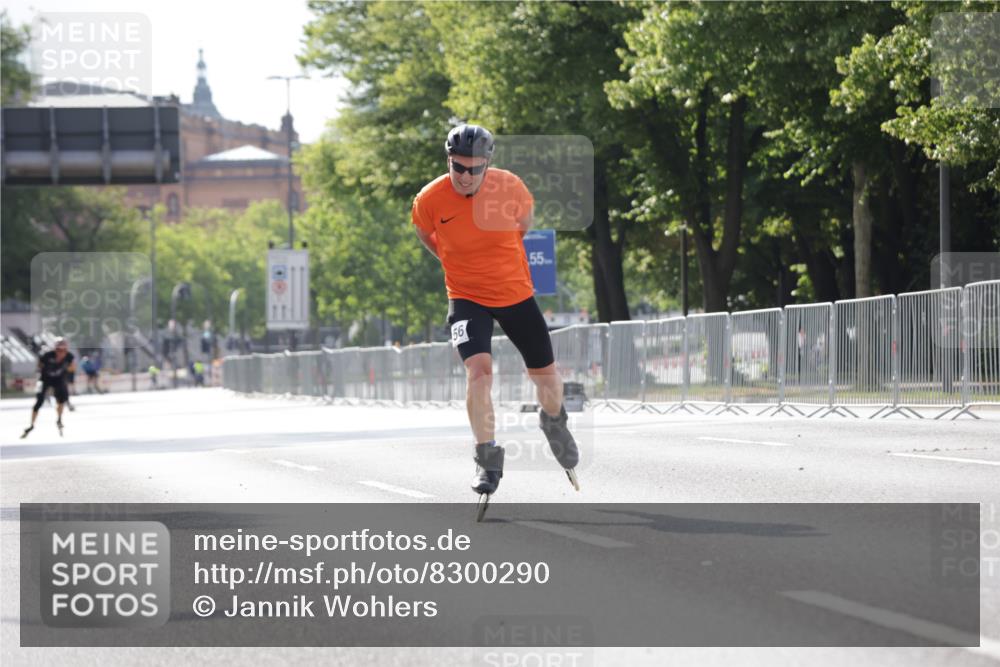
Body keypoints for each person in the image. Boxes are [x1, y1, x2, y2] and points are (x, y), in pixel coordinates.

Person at [411, 124, 580, 505]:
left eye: (474, 168)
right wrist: (453, 263)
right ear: (448, 161)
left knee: (546, 378)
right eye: (458, 167)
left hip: (515, 294)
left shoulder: (511, 189)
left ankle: (553, 421)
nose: (465, 176)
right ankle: (486, 457)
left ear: (488, 164)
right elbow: (425, 234)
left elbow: (523, 226)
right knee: (479, 372)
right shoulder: (429, 199)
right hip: (466, 297)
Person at [21, 337, 75, 438]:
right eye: (58, 350)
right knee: (39, 401)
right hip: (45, 379)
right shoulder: (47, 355)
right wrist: (42, 373)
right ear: (55, 349)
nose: (61, 353)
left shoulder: (69, 356)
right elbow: (39, 365)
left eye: (63, 350)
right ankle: (32, 424)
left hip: (59, 379)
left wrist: (66, 370)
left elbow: (72, 368)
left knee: (61, 399)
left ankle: (59, 418)